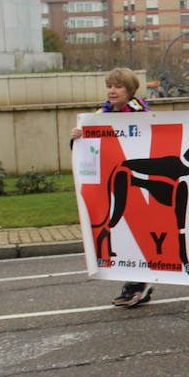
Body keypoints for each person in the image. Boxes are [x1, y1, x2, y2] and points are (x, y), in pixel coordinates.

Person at [69, 68, 153, 308]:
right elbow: (86, 153)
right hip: (112, 183)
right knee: (119, 232)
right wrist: (77, 138)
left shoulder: (142, 115)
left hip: (136, 182)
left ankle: (139, 284)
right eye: (109, 86)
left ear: (130, 90)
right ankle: (135, 283)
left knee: (138, 232)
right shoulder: (98, 116)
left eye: (118, 86)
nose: (112, 91)